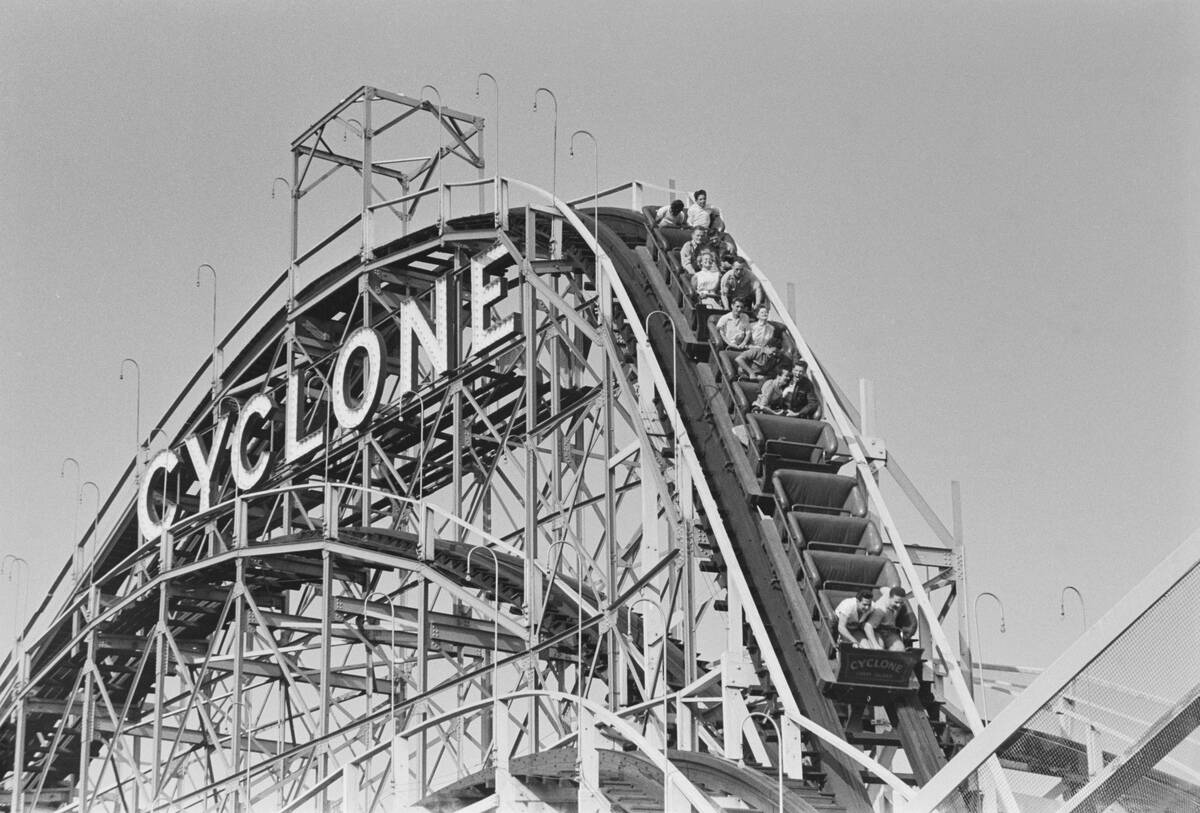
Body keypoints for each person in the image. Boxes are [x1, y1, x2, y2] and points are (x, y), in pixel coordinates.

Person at [867, 587, 916, 652]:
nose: (898, 605)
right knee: (879, 648)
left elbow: (883, 589)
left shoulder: (889, 592)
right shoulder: (881, 609)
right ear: (890, 598)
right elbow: (868, 626)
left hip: (890, 631)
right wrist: (875, 645)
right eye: (896, 602)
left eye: (901, 603)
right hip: (877, 630)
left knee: (899, 649)